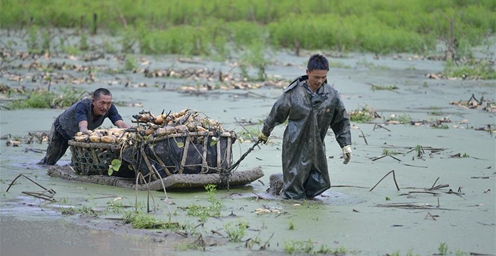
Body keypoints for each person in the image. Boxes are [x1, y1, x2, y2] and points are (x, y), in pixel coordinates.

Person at [258, 54, 352, 200]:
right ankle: (292, 205)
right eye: (316, 77)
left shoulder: (331, 95)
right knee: (294, 185)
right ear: (308, 72)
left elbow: (341, 120)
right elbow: (277, 112)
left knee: (319, 181)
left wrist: (345, 144)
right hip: (294, 144)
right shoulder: (293, 93)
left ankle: (305, 203)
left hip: (317, 146)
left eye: (323, 77)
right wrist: (265, 132)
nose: (320, 81)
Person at [38, 88, 130, 165]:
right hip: (62, 129)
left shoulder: (110, 108)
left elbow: (120, 123)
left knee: (79, 162)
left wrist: (130, 129)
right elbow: (83, 127)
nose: (105, 107)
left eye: (108, 103)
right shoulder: (82, 106)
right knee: (50, 161)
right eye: (102, 103)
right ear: (93, 101)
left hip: (78, 135)